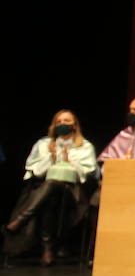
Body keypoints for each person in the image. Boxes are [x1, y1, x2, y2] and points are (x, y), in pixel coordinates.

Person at [5, 111, 98, 266]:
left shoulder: (84, 146)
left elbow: (89, 174)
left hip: (72, 192)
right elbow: (31, 169)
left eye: (66, 120)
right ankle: (48, 249)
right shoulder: (43, 144)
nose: (62, 124)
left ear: (74, 125)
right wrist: (51, 158)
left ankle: (22, 220)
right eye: (58, 121)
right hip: (45, 189)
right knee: (50, 191)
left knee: (52, 186)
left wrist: (70, 161)